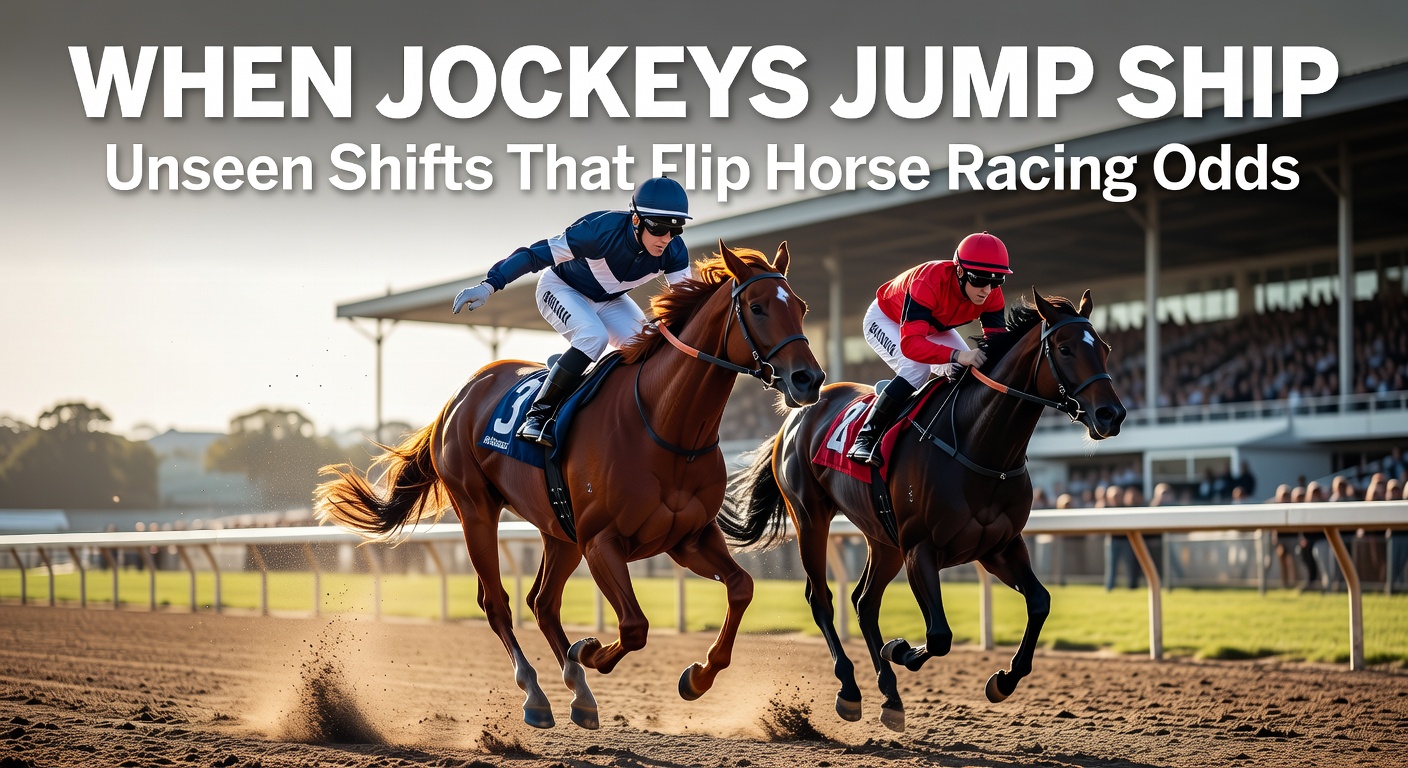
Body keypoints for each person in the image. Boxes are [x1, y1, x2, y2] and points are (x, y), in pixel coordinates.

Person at [452, 177, 693, 447]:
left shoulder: (673, 251)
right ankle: (538, 415)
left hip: (610, 299)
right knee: (593, 337)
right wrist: (490, 285)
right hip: (561, 289)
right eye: (659, 229)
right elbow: (534, 255)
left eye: (676, 230)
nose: (666, 239)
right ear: (636, 220)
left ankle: (591, 387)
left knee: (649, 346)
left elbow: (687, 303)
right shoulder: (598, 231)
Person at [847, 231, 1011, 466]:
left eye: (996, 281)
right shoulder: (930, 280)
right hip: (887, 319)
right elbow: (911, 344)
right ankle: (865, 438)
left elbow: (999, 346)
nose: (987, 289)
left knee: (967, 371)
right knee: (917, 369)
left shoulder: (991, 294)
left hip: (935, 326)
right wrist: (958, 354)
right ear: (960, 271)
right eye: (979, 279)